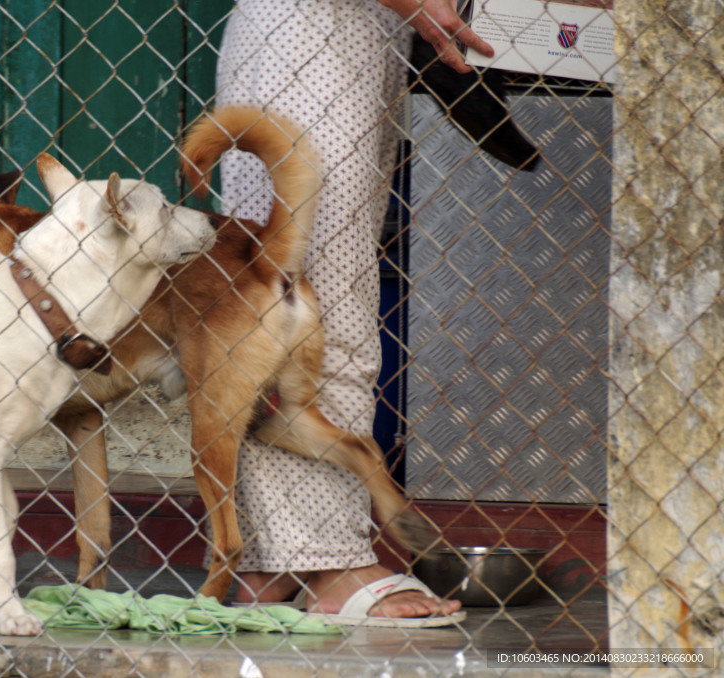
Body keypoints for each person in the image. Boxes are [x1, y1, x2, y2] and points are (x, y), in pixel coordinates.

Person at [210, 0, 493, 623]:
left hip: (355, 37)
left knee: (302, 300)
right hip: (311, 33)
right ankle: (331, 564)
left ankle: (272, 564)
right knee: (317, 309)